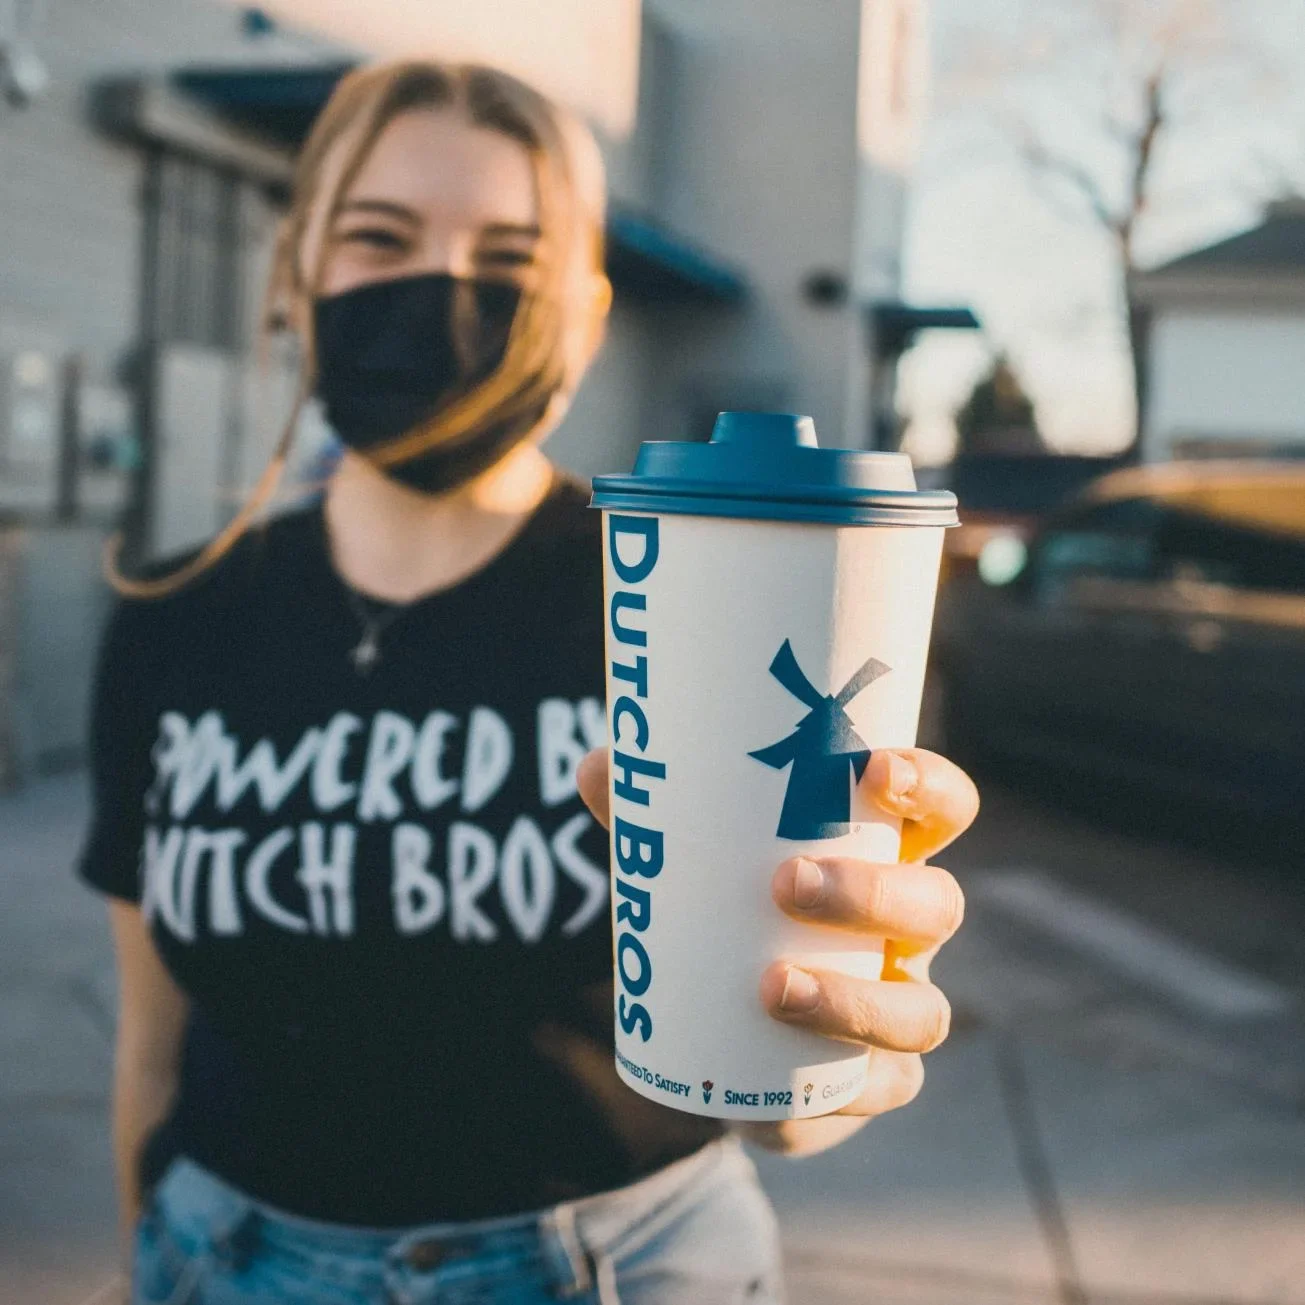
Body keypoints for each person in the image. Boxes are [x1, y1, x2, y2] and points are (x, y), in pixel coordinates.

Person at [79, 60, 979, 1305]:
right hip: (223, 1262)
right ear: (295, 273)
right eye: (379, 236)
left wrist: (820, 1065)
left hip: (615, 1266)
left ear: (586, 313)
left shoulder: (699, 603)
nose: (444, 295)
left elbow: (786, 1039)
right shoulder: (178, 616)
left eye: (510, 261)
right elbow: (151, 1052)